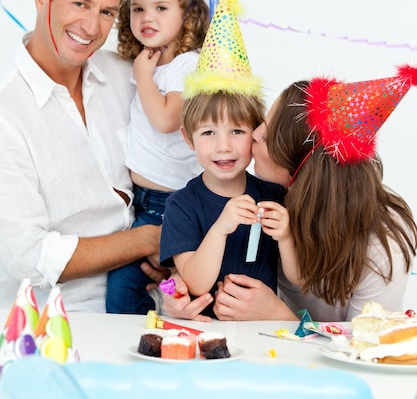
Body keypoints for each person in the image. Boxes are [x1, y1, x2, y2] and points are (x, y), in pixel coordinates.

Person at [0, 0, 166, 313]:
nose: (91, 28)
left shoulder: (128, 78)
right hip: (58, 325)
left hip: (154, 309)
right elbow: (26, 257)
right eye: (79, 4)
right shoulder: (7, 114)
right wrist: (146, 239)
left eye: (107, 11)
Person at [161, 68, 417, 322]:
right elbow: (188, 254)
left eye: (268, 132)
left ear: (298, 166)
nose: (255, 134)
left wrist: (275, 314)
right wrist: (174, 287)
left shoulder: (383, 249)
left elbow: (363, 349)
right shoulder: (281, 198)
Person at [106, 0, 223, 314]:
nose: (146, 17)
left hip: (171, 202)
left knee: (131, 288)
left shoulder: (184, 66)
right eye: (137, 9)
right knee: (143, 288)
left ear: (187, 13)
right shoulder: (154, 61)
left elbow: (167, 119)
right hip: (143, 202)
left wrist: (141, 77)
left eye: (160, 7)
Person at [159, 0, 291, 318]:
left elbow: (299, 279)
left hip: (262, 334)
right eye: (208, 133)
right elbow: (195, 282)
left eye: (237, 131)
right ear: (188, 139)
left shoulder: (275, 196)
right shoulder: (182, 205)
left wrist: (287, 236)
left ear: (257, 132)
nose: (224, 147)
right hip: (203, 331)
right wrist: (220, 228)